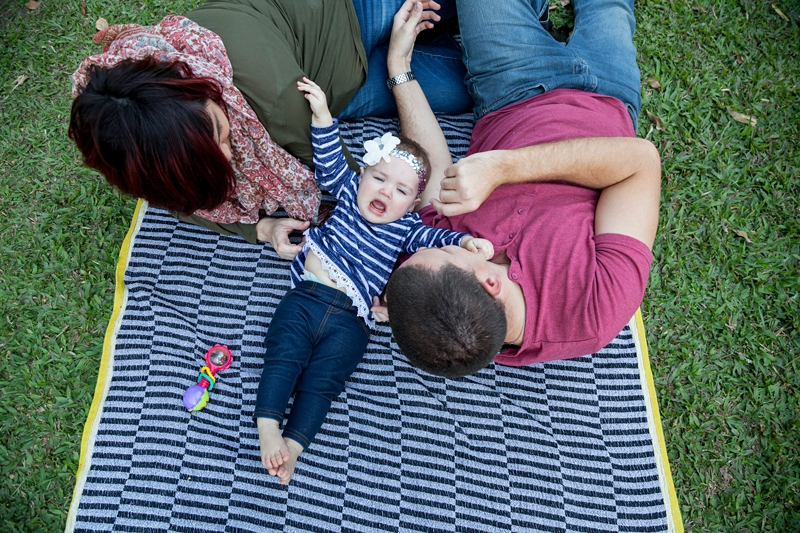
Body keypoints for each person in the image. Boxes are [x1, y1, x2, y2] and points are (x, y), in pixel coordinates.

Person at [380, 0, 662, 377]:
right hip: (608, 96)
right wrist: (504, 168)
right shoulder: (595, 308)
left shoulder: (431, 286)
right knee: (609, 8)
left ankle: (535, 13)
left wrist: (399, 68)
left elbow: (435, 170)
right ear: (491, 282)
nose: (437, 240)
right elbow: (640, 163)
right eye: (449, 249)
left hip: (510, 86)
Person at [68, 0, 471, 254]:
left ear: (198, 88)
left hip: (347, 12)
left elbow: (348, 185)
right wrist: (261, 227)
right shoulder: (124, 131)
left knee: (454, 14)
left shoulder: (273, 96)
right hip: (332, 84)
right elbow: (182, 200)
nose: (228, 156)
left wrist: (395, 240)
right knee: (462, 89)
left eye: (221, 134)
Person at [253, 76, 493, 484]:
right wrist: (324, 116)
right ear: (362, 176)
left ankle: (293, 445)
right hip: (308, 298)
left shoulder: (407, 229)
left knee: (325, 382)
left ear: (414, 203)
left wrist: (466, 241)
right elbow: (330, 160)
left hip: (353, 320)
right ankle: (268, 429)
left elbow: (436, 238)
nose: (385, 191)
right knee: (283, 357)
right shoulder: (347, 191)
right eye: (379, 178)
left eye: (401, 190)